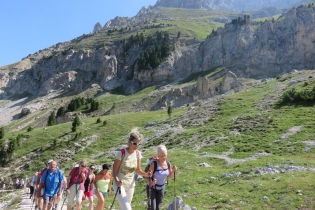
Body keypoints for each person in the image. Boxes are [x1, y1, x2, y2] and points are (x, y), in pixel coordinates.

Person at [112, 128, 152, 210]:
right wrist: (117, 181)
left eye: (138, 144)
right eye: (134, 143)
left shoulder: (138, 154)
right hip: (120, 185)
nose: (136, 146)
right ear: (129, 142)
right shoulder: (121, 153)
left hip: (131, 185)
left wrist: (147, 174)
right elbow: (114, 170)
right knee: (127, 208)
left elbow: (138, 170)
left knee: (123, 208)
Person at [145, 145, 177, 210]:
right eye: (161, 156)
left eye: (165, 155)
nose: (163, 157)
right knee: (152, 208)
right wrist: (151, 182)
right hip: (152, 188)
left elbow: (170, 177)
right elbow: (146, 176)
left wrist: (173, 171)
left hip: (161, 188)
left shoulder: (168, 164)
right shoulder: (154, 164)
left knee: (158, 207)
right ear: (158, 156)